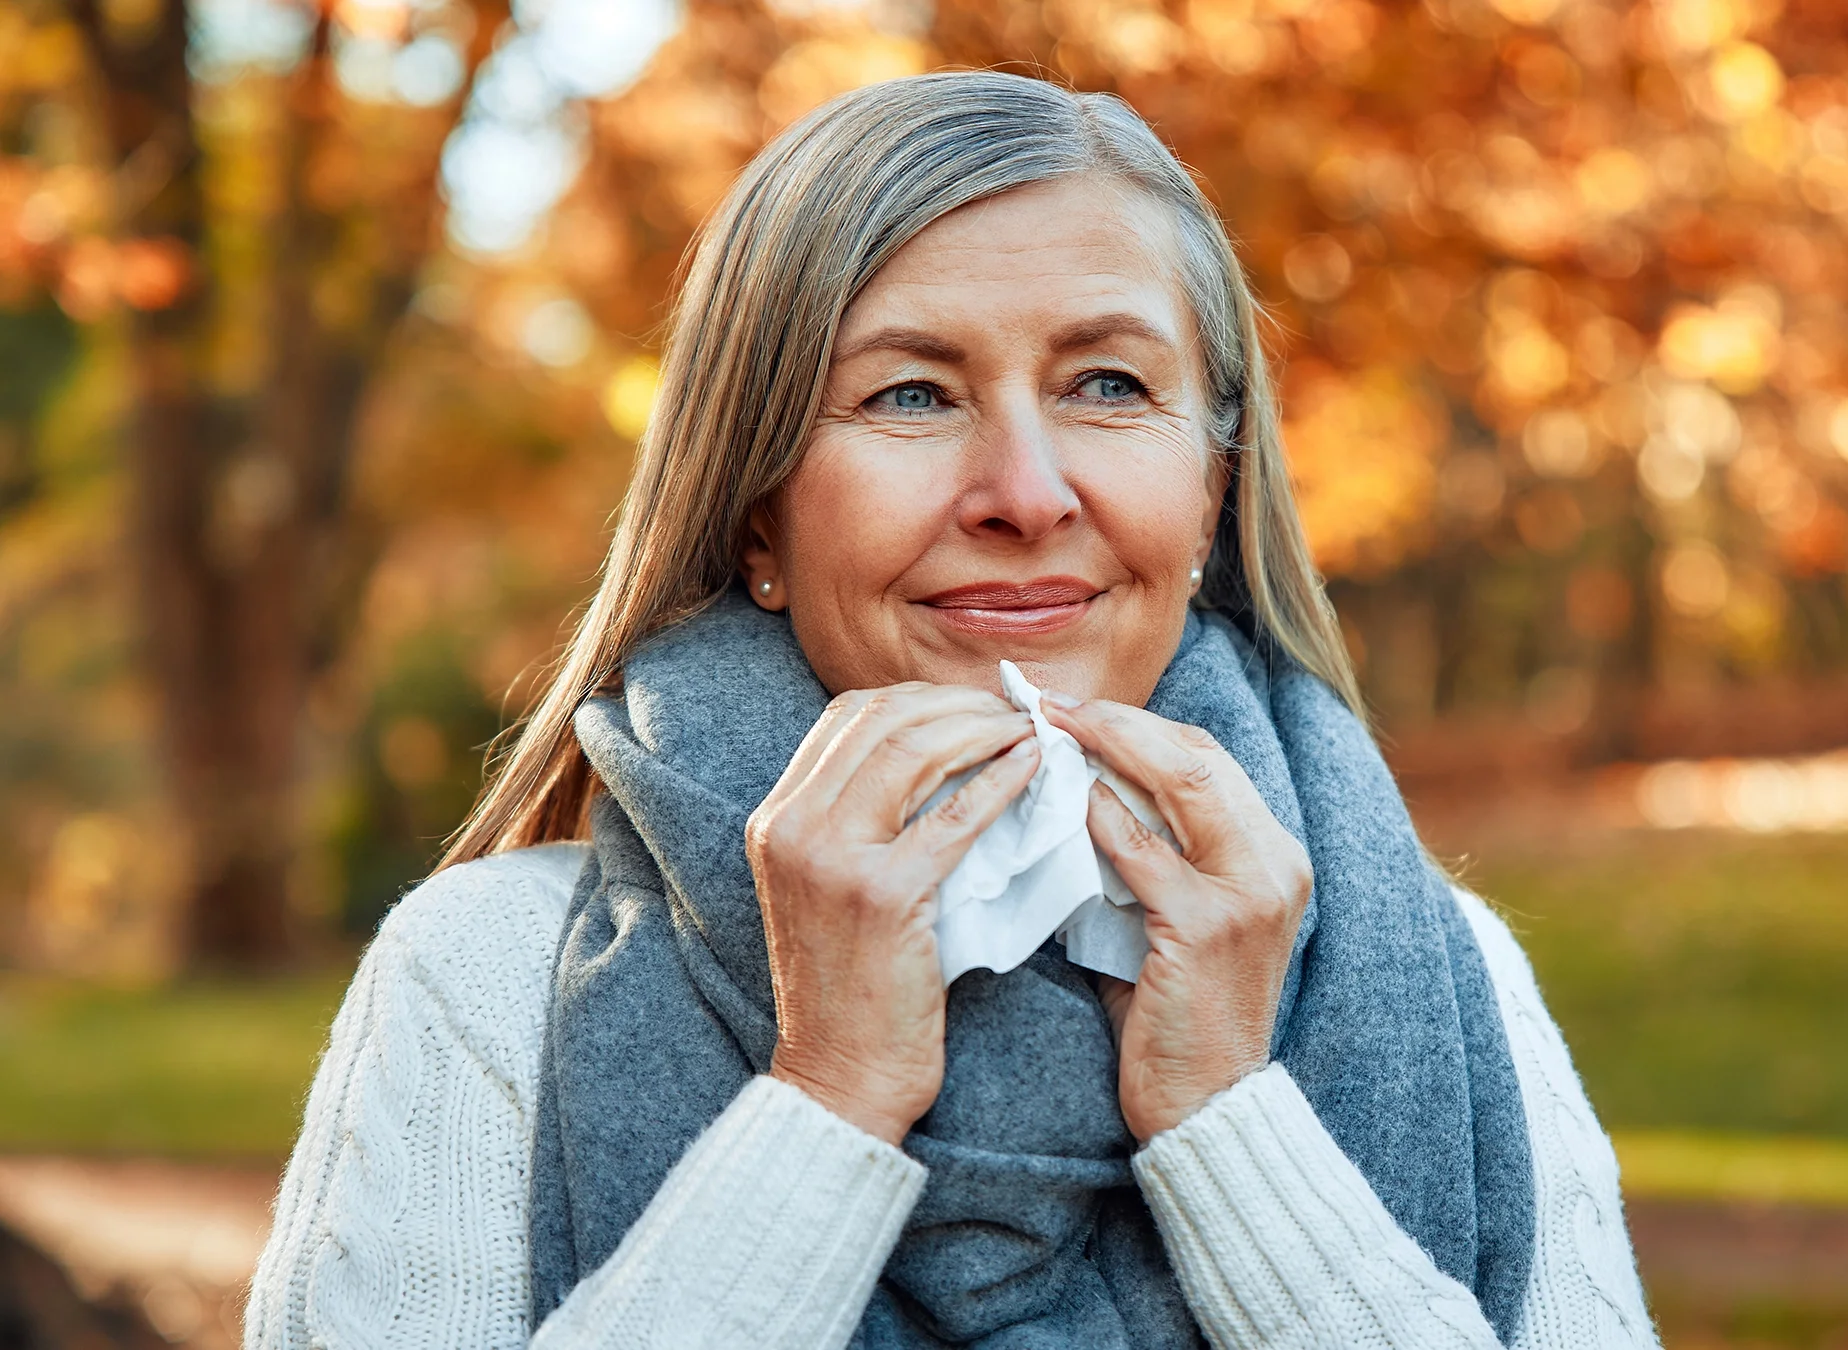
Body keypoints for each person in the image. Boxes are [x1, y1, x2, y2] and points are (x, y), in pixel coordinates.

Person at [244, 71, 1658, 1350]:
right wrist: (830, 1097)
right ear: (757, 511)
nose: (1027, 492)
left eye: (1109, 384)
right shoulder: (487, 974)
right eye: (913, 393)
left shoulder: (1444, 966)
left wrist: (1232, 1120)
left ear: (1214, 488)